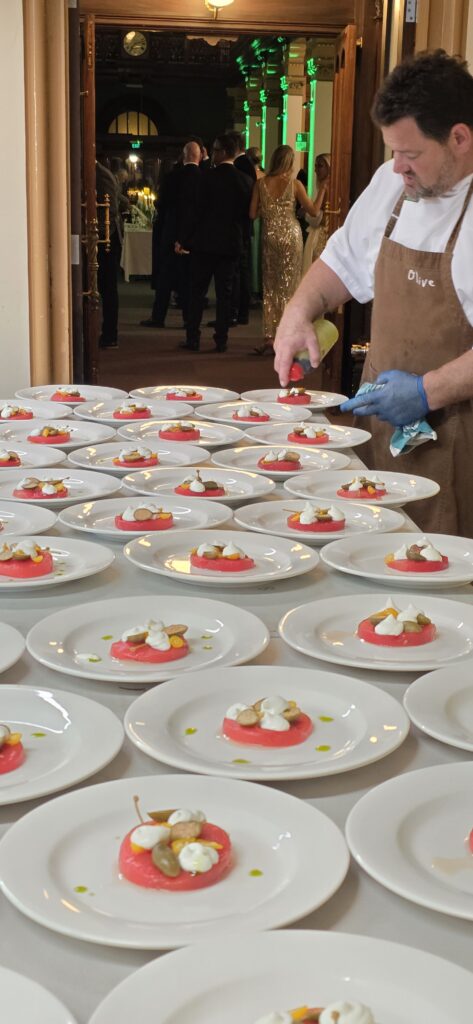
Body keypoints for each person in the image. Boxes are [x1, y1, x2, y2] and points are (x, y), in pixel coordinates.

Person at [273, 49, 473, 535]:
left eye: (411, 155)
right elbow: (340, 263)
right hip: (382, 431)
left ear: (460, 138)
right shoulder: (392, 182)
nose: (398, 168)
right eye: (392, 152)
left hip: (461, 442)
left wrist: (425, 391)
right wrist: (298, 311)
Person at [249, 143, 328, 355]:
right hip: (291, 237)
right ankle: (288, 337)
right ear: (290, 162)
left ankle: (269, 336)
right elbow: (313, 210)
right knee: (290, 286)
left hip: (270, 237)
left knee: (270, 287)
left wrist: (269, 210)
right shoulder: (295, 185)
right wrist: (322, 189)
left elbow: (252, 214)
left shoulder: (260, 184)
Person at [182, 132, 252, 353]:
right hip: (230, 244)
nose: (212, 154)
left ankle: (193, 337)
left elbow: (195, 212)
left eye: (215, 150)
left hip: (205, 243)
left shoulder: (206, 178)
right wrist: (242, 241)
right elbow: (246, 217)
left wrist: (185, 239)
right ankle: (221, 339)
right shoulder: (245, 181)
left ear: (223, 152)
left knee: (197, 292)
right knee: (225, 295)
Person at [95, 157, 129, 350]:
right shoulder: (100, 174)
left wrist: (95, 233)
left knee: (107, 288)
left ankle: (110, 334)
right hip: (102, 238)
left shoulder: (101, 175)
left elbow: (110, 210)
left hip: (106, 240)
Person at [174, 140, 202, 327]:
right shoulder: (205, 178)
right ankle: (193, 319)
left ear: (184, 155)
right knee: (197, 282)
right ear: (199, 156)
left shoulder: (174, 177)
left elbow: (172, 210)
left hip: (179, 234)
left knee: (183, 279)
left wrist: (179, 238)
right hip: (200, 237)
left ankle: (187, 316)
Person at [302, 154, 331, 274]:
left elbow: (318, 215)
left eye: (320, 166)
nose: (316, 170)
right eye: (315, 166)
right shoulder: (323, 185)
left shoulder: (326, 187)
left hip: (322, 233)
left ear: (329, 167)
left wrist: (307, 213)